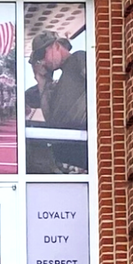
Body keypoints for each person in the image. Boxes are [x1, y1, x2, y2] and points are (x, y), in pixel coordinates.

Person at [26, 29, 90, 172]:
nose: (42, 61)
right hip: (67, 150)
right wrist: (42, 82)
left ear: (56, 46)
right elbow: (50, 119)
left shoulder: (78, 58)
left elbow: (99, 86)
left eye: (43, 55)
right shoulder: (57, 84)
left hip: (82, 142)